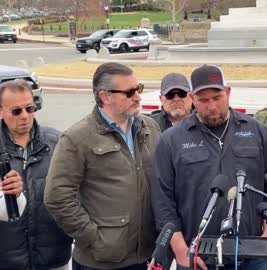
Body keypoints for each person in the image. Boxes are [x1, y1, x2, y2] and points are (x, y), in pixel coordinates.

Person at [151, 65, 267, 270]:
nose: (211, 106)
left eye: (217, 97)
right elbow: (162, 199)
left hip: (252, 251)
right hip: (198, 256)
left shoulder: (256, 131)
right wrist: (180, 249)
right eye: (203, 100)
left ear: (228, 93)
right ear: (192, 98)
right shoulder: (171, 140)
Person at [44, 63, 161, 270]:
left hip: (146, 256)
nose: (138, 96)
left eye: (139, 88)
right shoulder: (77, 138)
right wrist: (93, 237)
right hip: (100, 261)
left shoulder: (149, 127)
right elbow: (57, 197)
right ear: (105, 97)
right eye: (130, 92)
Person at [0, 79, 72, 269]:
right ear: (0, 111)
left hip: (54, 257)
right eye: (16, 111)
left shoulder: (58, 142)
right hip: (7, 261)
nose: (24, 116)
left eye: (30, 108)